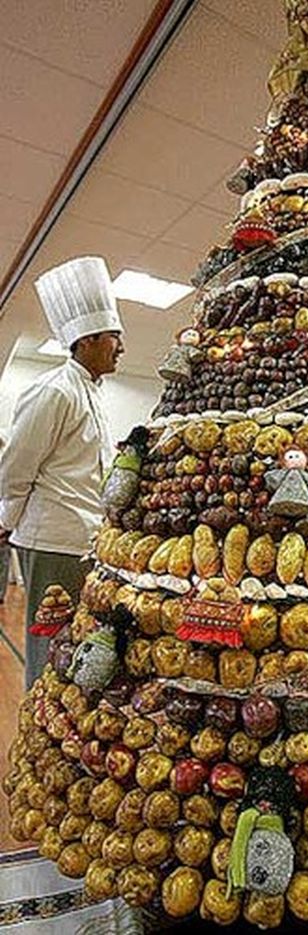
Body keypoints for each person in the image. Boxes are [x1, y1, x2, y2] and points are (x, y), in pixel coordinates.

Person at [0, 256, 124, 687]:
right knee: (49, 640)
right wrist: (6, 521)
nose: (121, 347)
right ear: (87, 339)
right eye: (114, 336)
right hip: (52, 540)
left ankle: (64, 718)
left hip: (83, 541)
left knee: (76, 638)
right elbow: (16, 467)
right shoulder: (53, 390)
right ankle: (39, 727)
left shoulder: (91, 392)